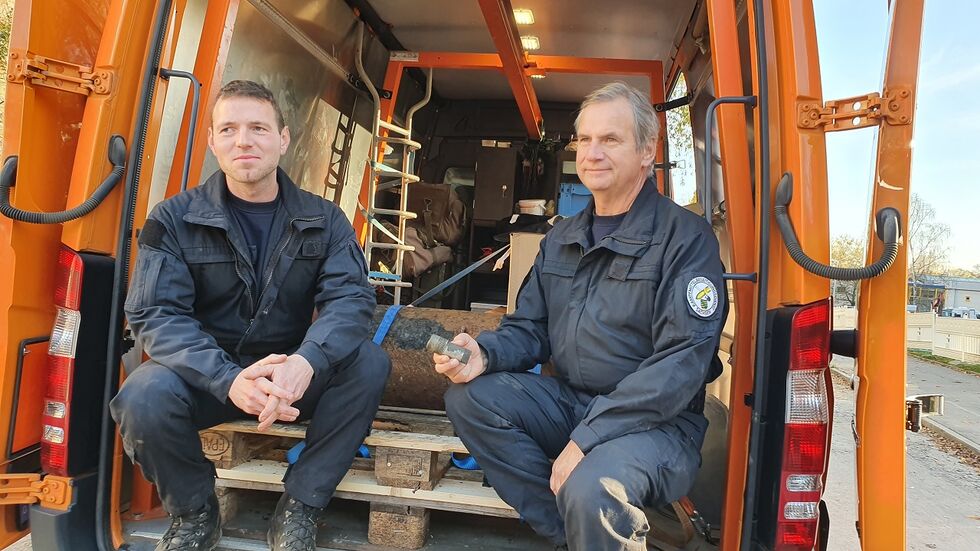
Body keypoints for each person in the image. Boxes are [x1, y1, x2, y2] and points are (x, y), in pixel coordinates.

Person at [433, 82, 727, 551]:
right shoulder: (562, 237)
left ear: (647, 150)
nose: (593, 152)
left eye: (610, 140)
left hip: (657, 424)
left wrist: (584, 441)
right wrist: (483, 355)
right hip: (572, 401)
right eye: (585, 139)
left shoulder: (685, 239)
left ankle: (589, 525)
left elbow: (680, 366)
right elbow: (529, 329)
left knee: (595, 489)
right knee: (471, 399)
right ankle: (572, 537)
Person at [111, 80, 390, 551]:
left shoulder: (325, 220)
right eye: (230, 129)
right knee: (142, 395)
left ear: (282, 140)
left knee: (369, 364)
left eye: (258, 128)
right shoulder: (174, 219)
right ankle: (195, 513)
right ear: (213, 141)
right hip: (208, 375)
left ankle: (301, 505)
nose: (244, 140)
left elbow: (351, 301)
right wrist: (227, 379)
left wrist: (306, 362)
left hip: (294, 376)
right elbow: (156, 314)